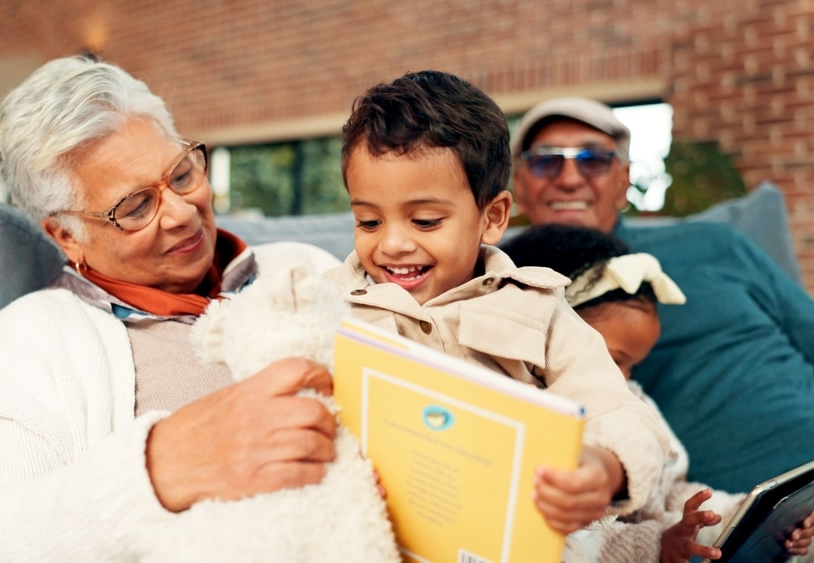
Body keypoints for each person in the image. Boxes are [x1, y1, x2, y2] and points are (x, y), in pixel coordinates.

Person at [0, 55, 346, 560]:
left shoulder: (309, 267)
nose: (183, 213)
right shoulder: (27, 340)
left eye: (182, 174)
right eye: (136, 208)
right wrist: (159, 468)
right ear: (66, 236)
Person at [321, 70, 669, 536]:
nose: (392, 244)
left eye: (425, 221)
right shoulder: (324, 303)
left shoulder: (539, 309)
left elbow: (620, 414)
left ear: (493, 217)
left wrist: (604, 468)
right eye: (368, 221)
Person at [510, 96, 814, 494]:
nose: (569, 178)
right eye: (545, 160)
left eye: (593, 160)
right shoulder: (507, 287)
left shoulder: (713, 243)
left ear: (623, 180)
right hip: (713, 525)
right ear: (520, 184)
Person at [501, 223, 814, 563]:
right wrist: (656, 544)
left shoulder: (634, 404)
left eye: (632, 365)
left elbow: (672, 493)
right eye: (611, 359)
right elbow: (569, 541)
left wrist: (741, 516)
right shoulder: (529, 413)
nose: (621, 378)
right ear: (550, 329)